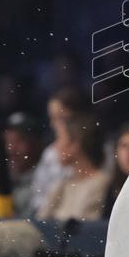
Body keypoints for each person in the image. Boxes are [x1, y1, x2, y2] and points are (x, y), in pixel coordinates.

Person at [37, 112, 111, 223]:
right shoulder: (63, 182)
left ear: (76, 145)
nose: (55, 146)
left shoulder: (102, 183)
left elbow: (83, 230)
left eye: (59, 139)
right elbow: (41, 222)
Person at [28, 87, 87, 215]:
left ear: (79, 118)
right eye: (52, 118)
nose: (54, 124)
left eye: (61, 118)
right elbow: (37, 198)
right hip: (50, 222)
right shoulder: (50, 154)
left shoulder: (99, 151)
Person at [2, 111, 46, 217]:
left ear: (37, 144)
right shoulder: (3, 176)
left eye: (18, 141)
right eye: (8, 142)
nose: (11, 149)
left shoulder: (45, 178)